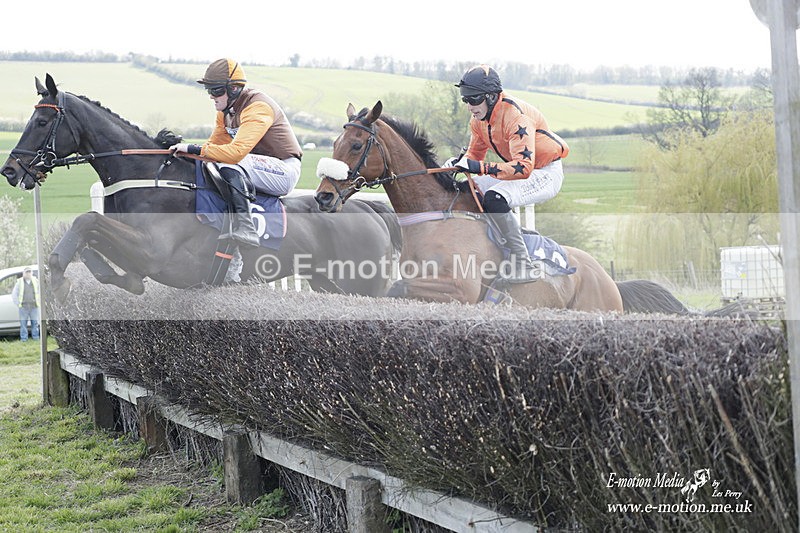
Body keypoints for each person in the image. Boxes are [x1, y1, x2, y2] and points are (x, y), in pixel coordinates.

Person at [445, 65, 570, 283]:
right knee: (466, 188)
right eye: (465, 100)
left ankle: (523, 262)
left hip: (544, 173)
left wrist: (479, 168)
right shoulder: (478, 121)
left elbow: (523, 168)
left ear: (491, 97)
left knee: (496, 197)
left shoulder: (515, 117)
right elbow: (475, 157)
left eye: (473, 100)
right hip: (522, 169)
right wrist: (457, 165)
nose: (469, 106)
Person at [170, 58, 303, 248]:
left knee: (229, 162)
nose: (211, 96)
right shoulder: (225, 112)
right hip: (256, 167)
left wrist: (192, 148)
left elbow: (235, 153)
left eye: (216, 90)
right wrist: (183, 151)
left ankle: (246, 227)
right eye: (208, 90)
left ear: (233, 88)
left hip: (284, 171)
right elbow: (212, 148)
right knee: (211, 163)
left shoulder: (257, 107)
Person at [11, 267, 40, 342]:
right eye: (26, 272)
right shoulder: (19, 282)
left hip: (34, 306)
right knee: (23, 324)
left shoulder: (36, 281)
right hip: (23, 307)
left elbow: (40, 292)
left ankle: (36, 338)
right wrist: (18, 304)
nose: (28, 273)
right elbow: (14, 294)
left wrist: (38, 302)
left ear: (32, 273)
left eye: (29, 272)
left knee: (35, 323)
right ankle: (24, 339)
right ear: (23, 273)